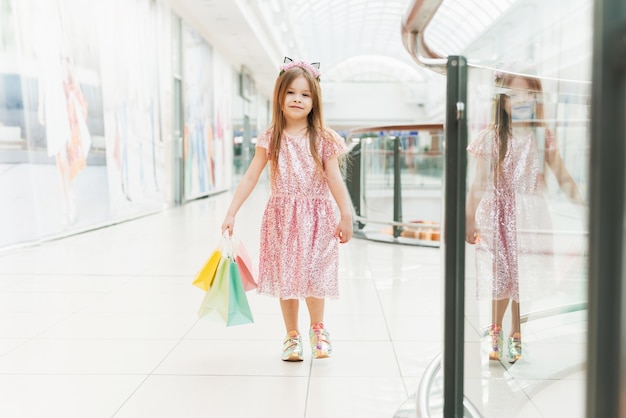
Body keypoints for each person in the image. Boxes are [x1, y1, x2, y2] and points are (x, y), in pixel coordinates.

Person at [221, 58, 353, 361]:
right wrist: (232, 212)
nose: (298, 99)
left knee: (316, 274)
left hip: (319, 217)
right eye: (291, 92)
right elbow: (252, 175)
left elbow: (334, 177)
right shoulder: (272, 137)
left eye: (305, 94)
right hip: (282, 219)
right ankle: (292, 335)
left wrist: (346, 214)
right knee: (287, 277)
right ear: (280, 97)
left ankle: (318, 329)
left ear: (314, 100)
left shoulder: (324, 138)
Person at [465, 66, 585, 363]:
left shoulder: (542, 136)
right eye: (513, 94)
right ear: (502, 101)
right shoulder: (491, 137)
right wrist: (469, 217)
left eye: (528, 94)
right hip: (497, 215)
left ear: (536, 99)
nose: (521, 100)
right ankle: (495, 330)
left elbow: (562, 176)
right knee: (500, 275)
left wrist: (584, 207)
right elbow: (479, 181)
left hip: (531, 216)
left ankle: (517, 332)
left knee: (524, 275)